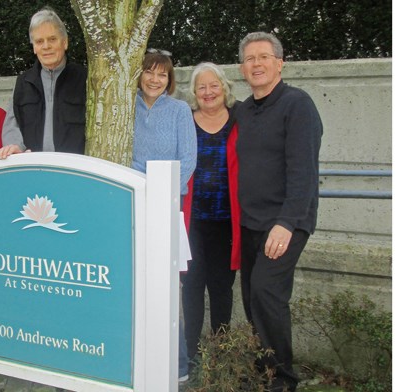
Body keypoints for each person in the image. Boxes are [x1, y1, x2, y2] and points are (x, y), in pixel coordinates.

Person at [235, 32, 323, 392]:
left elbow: (304, 171)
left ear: (280, 63)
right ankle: (263, 371)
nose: (256, 64)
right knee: (253, 299)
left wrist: (286, 223)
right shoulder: (243, 110)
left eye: (264, 57)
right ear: (242, 68)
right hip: (251, 222)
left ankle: (283, 380)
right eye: (250, 59)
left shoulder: (297, 105)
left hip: (286, 222)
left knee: (267, 295)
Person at [132, 49, 197, 383]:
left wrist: (158, 189)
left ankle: (179, 367)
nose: (155, 79)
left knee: (169, 290)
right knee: (134, 285)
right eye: (149, 72)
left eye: (162, 74)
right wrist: (137, 185)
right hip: (130, 205)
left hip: (166, 208)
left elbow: (187, 160)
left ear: (169, 80)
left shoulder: (180, 110)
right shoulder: (125, 108)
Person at [181, 62, 241, 366]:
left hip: (228, 223)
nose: (208, 92)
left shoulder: (240, 119)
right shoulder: (185, 122)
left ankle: (221, 352)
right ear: (194, 92)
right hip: (192, 222)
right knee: (191, 287)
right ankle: (189, 355)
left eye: (213, 85)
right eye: (201, 87)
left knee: (221, 289)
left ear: (224, 88)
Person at [0, 7, 87, 158]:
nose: (46, 46)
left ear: (64, 42)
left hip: (74, 169)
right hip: (34, 167)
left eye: (52, 39)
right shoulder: (23, 83)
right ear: (34, 47)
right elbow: (12, 124)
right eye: (39, 41)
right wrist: (15, 146)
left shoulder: (84, 79)